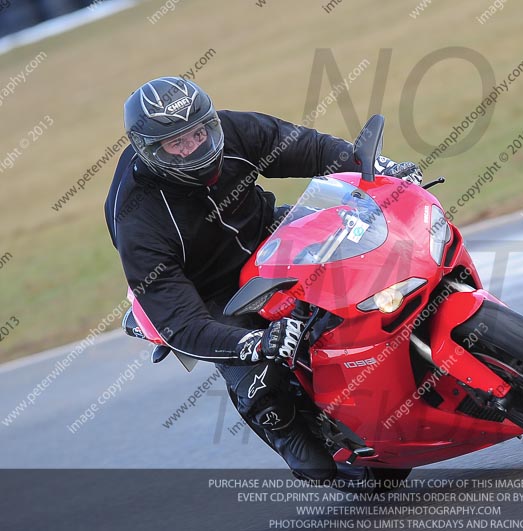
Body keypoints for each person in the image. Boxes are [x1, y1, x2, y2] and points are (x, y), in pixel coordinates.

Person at [104, 76, 422, 481]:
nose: (194, 147)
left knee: (371, 239)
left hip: (270, 233)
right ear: (151, 151)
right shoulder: (136, 219)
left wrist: (378, 168)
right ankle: (285, 428)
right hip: (210, 291)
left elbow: (309, 148)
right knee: (275, 395)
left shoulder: (233, 130)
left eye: (199, 133)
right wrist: (251, 342)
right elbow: (179, 321)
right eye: (177, 143)